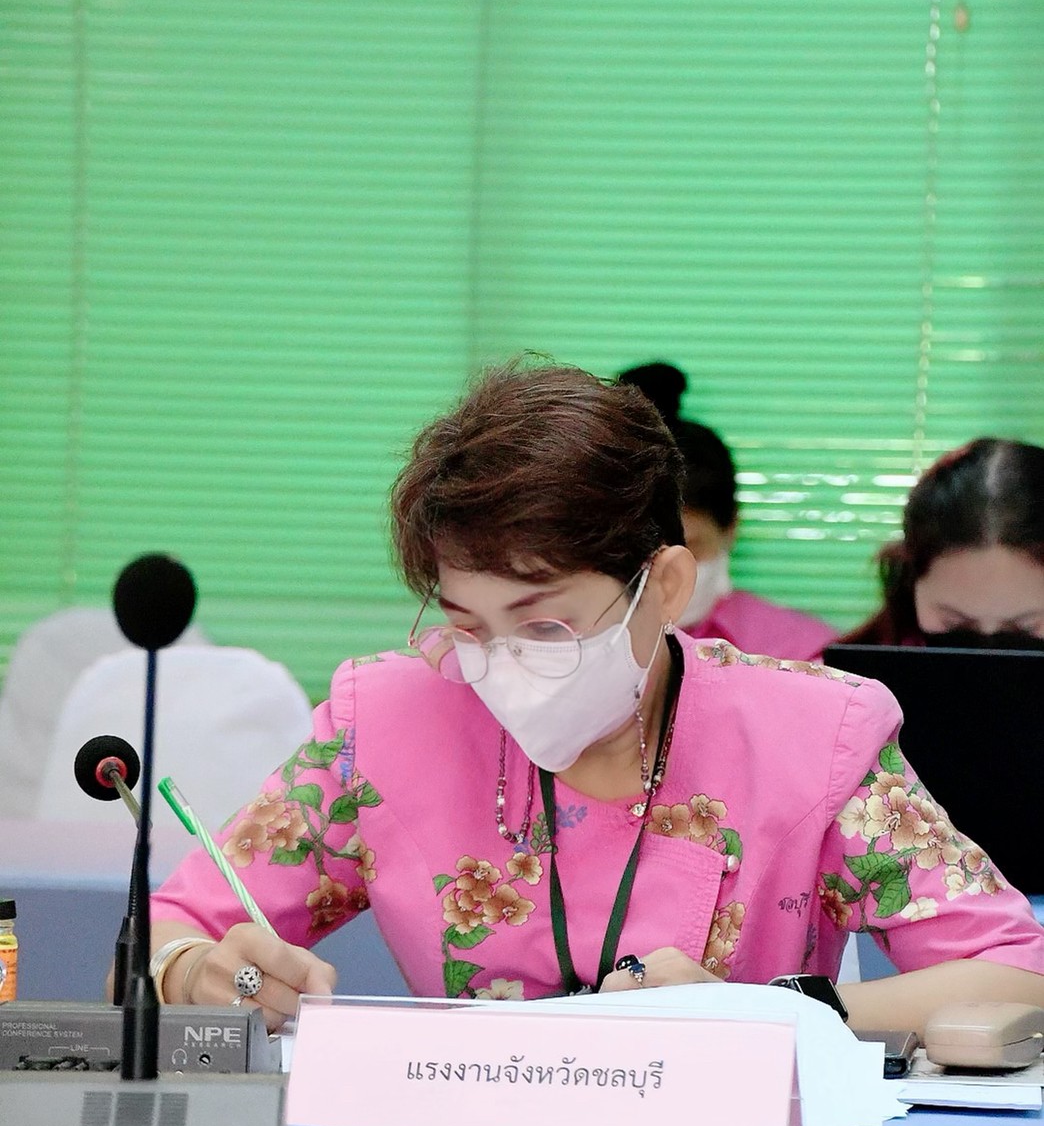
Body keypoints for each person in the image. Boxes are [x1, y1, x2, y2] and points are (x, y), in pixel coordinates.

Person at [146, 362, 1044, 1032]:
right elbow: (168, 930)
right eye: (467, 625)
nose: (501, 665)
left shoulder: (815, 735)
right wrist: (192, 971)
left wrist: (773, 1013)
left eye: (544, 625)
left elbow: (1017, 975)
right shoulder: (381, 724)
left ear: (665, 586)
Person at [617, 361, 836, 660]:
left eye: (689, 548)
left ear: (730, 528)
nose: (667, 572)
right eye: (643, 552)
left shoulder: (800, 654)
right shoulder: (572, 645)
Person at [839, 437, 1044, 648]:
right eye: (954, 624)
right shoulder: (843, 668)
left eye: (1026, 628)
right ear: (911, 582)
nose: (986, 650)